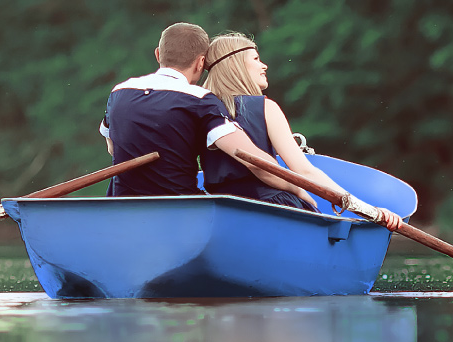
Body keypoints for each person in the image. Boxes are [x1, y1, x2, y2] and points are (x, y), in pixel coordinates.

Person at [98, 23, 400, 229]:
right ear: (201, 62)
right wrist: (303, 190)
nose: (264, 64)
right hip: (187, 216)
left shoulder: (119, 91)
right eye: (256, 58)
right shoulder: (202, 101)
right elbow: (254, 161)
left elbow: (115, 147)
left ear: (158, 55)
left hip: (123, 210)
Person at [197, 32, 400, 227]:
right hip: (274, 208)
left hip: (220, 210)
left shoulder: (200, 111)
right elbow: (303, 170)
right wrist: (368, 210)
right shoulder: (266, 107)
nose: (264, 65)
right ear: (237, 65)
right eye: (257, 58)